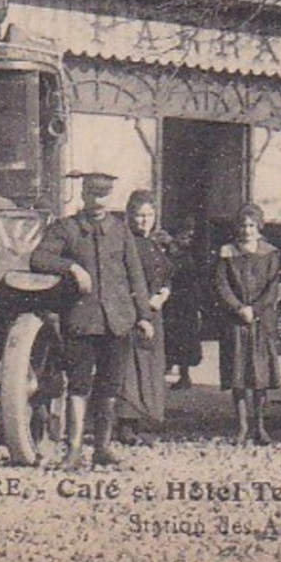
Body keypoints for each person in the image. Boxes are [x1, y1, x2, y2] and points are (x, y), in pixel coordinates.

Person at [28, 172, 154, 470]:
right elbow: (39, 259)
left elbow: (135, 275)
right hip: (82, 321)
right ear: (83, 194)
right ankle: (72, 451)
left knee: (110, 387)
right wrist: (71, 267)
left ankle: (102, 447)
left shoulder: (120, 230)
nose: (98, 200)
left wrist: (144, 316)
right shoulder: (66, 229)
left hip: (118, 321)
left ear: (110, 197)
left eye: (104, 194)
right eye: (93, 194)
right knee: (79, 386)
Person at [213, 203, 280, 445]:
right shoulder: (226, 253)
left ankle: (260, 427)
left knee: (260, 376)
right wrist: (239, 308)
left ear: (259, 227)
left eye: (252, 225)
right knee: (238, 375)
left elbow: (273, 288)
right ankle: (241, 428)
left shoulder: (270, 253)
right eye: (243, 225)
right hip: (236, 321)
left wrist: (256, 309)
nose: (247, 230)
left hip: (261, 322)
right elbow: (221, 285)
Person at [118, 190, 171, 444]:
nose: (144, 220)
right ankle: (126, 426)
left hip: (155, 310)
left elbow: (165, 274)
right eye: (139, 215)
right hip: (132, 313)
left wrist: (164, 293)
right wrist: (142, 306)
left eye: (149, 215)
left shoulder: (153, 242)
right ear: (130, 216)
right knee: (131, 368)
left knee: (151, 367)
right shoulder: (125, 243)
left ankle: (146, 422)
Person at [162, 220, 204, 391]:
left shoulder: (187, 255)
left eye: (191, 236)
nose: (188, 240)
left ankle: (184, 376)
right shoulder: (171, 253)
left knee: (184, 341)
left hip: (185, 303)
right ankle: (172, 371)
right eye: (185, 236)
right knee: (171, 339)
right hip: (172, 302)